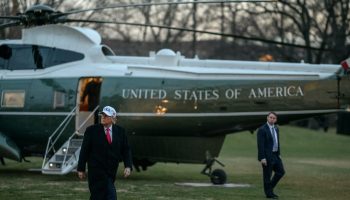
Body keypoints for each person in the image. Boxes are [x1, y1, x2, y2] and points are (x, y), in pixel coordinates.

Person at [77, 106, 132, 200]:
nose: (103, 117)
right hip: (96, 172)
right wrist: (81, 168)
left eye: (106, 116)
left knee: (98, 197)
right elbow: (84, 150)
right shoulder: (91, 131)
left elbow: (126, 150)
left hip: (111, 171)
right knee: (110, 196)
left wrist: (128, 166)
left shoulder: (120, 132)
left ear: (113, 119)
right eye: (102, 115)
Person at [257, 112, 285, 199]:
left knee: (281, 172)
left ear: (276, 120)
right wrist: (262, 158)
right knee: (267, 176)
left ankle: (269, 189)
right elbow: (260, 145)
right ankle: (269, 194)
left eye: (274, 118)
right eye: (270, 117)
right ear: (267, 118)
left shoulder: (276, 128)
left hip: (276, 155)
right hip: (267, 156)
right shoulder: (262, 129)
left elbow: (277, 142)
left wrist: (279, 154)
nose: (272, 119)